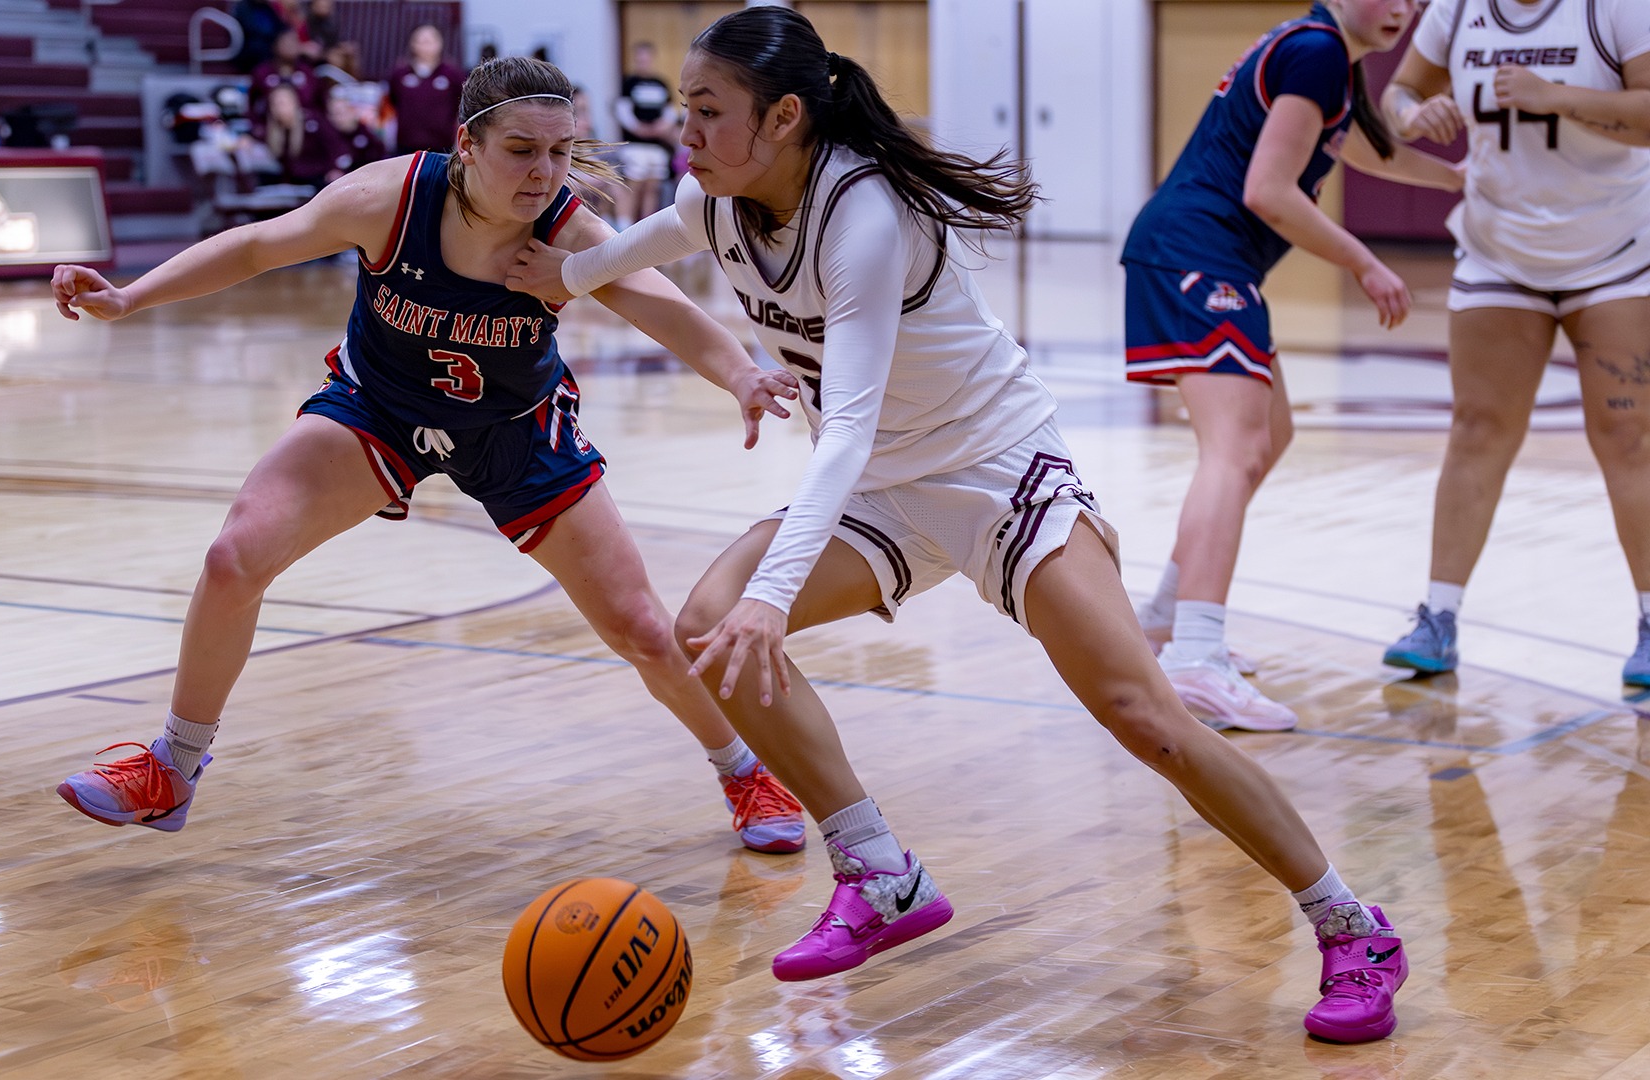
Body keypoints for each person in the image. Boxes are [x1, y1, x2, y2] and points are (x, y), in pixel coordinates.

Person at [507, 5, 1411, 1043]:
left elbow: (841, 429)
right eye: (686, 111)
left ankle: (1353, 927)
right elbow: (652, 240)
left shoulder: (865, 216)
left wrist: (773, 596)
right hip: (889, 494)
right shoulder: (716, 199)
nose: (688, 133)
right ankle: (877, 868)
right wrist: (568, 276)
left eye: (709, 113)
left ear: (786, 117)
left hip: (999, 480)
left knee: (1146, 717)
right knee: (708, 628)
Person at [50, 56, 811, 860]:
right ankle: (173, 764)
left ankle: (744, 769)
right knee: (236, 556)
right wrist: (130, 296)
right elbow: (255, 249)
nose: (545, 172)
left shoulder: (566, 231)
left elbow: (664, 305)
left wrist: (739, 375)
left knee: (643, 630)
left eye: (560, 153)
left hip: (516, 430)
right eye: (522, 150)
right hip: (379, 408)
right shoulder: (389, 197)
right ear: (467, 145)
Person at [1122, 0, 1463, 730]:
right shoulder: (1314, 52)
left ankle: (1166, 617)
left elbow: (1358, 148)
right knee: (1235, 448)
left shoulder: (1321, 54)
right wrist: (1366, 262)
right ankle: (1195, 657)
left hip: (1202, 253)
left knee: (1268, 436)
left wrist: (1459, 181)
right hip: (1196, 252)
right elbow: (1268, 191)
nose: (1404, 7)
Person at [1377, 0, 1650, 683]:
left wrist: (1556, 97)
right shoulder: (1458, 9)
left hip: (1613, 250)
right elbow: (1397, 92)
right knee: (1476, 430)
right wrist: (1413, 115)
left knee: (1628, 438)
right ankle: (1437, 618)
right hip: (1499, 251)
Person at [614, 42, 680, 228]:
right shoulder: (629, 83)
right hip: (635, 145)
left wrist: (661, 128)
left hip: (657, 146)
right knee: (635, 185)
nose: (643, 61)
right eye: (640, 57)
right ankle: (630, 227)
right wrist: (639, 128)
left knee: (653, 187)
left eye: (647, 57)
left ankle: (647, 227)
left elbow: (670, 111)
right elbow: (623, 111)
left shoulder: (661, 84)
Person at [384, 23, 463, 154]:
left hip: (442, 147)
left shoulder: (452, 74)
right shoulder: (400, 73)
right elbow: (392, 101)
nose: (425, 46)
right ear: (412, 44)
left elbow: (460, 104)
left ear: (440, 43)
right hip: (406, 147)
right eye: (420, 41)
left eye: (429, 41)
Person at [251, 28, 321, 128]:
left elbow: (319, 102)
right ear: (275, 45)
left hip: (305, 128)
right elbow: (252, 102)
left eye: (294, 42)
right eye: (286, 42)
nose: (290, 46)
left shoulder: (308, 72)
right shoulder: (262, 72)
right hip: (268, 126)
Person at [324, 92, 384, 176]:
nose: (337, 119)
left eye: (340, 113)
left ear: (352, 111)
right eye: (332, 114)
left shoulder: (367, 135)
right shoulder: (327, 136)